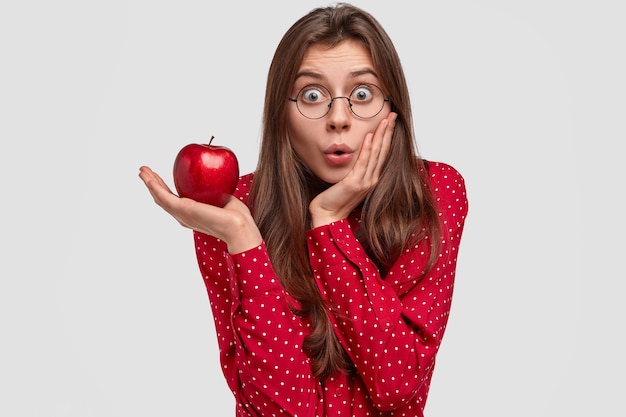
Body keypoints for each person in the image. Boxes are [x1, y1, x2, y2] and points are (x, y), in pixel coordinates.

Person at [139, 3, 468, 416]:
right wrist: (244, 240)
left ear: (392, 108)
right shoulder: (232, 209)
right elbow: (280, 409)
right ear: (282, 113)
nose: (339, 119)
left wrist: (329, 224)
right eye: (313, 95)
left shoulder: (433, 193)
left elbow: (397, 384)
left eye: (362, 94)